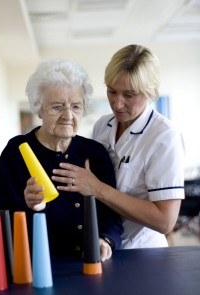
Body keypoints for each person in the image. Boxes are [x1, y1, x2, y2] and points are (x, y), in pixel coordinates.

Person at [48, 45, 185, 248]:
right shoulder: (103, 125)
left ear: (150, 92)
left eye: (129, 95)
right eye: (112, 91)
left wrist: (97, 188)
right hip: (105, 245)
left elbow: (165, 221)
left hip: (143, 251)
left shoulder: (164, 136)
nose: (117, 103)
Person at [0, 58, 123, 261]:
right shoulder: (16, 152)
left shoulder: (95, 153)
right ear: (39, 108)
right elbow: (4, 221)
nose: (67, 115)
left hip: (89, 263)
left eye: (75, 107)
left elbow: (112, 217)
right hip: (36, 265)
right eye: (57, 107)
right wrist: (29, 206)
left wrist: (106, 239)